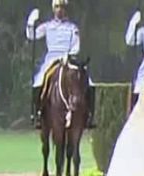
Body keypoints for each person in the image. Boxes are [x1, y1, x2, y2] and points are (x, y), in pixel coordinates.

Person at [26, 0, 95, 129]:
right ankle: (37, 114)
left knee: (89, 82)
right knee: (39, 81)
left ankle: (90, 116)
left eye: (62, 7)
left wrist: (68, 56)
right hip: (51, 58)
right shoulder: (47, 26)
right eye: (57, 7)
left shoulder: (72, 28)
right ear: (53, 9)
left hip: (67, 58)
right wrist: (31, 23)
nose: (59, 10)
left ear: (65, 9)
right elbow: (32, 36)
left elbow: (76, 45)